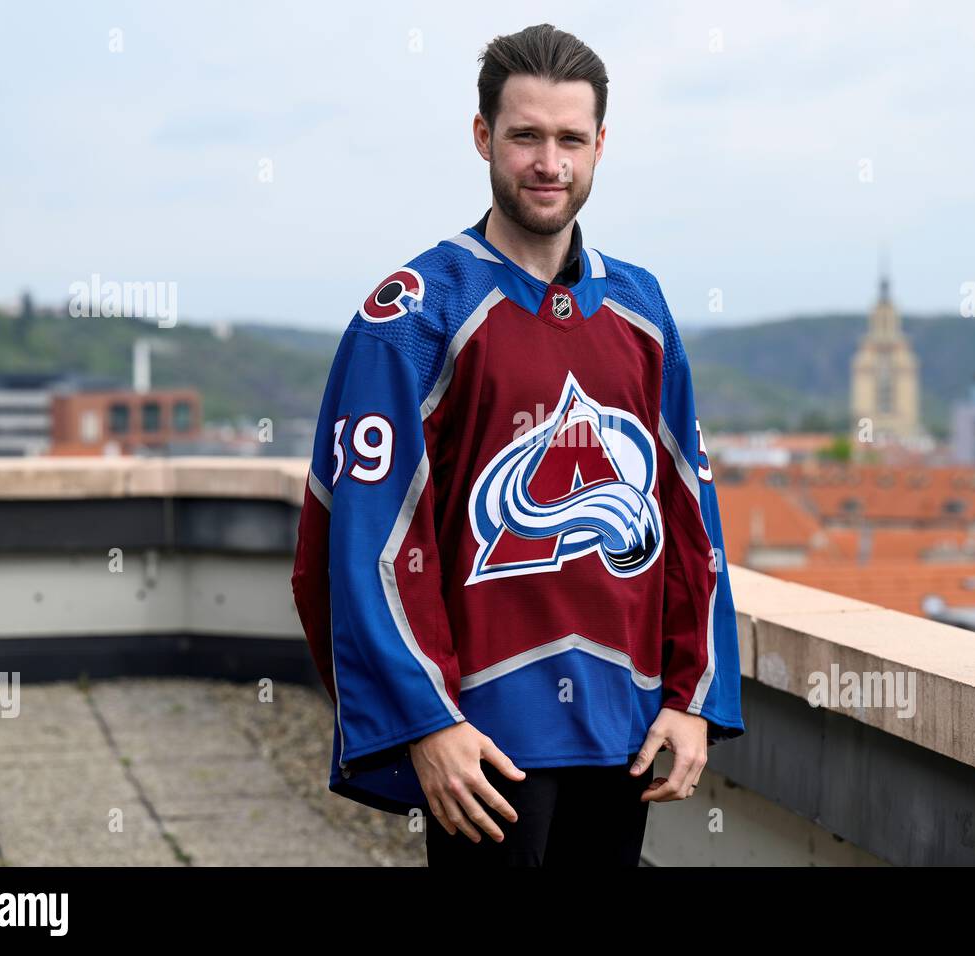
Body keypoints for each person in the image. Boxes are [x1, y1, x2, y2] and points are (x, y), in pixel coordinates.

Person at [291, 22, 745, 868]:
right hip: (485, 736)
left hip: (627, 723)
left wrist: (694, 697)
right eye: (526, 135)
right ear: (482, 137)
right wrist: (425, 720)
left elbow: (692, 519)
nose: (550, 162)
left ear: (601, 145)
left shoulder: (643, 310)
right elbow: (364, 548)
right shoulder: (415, 314)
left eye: (572, 138)